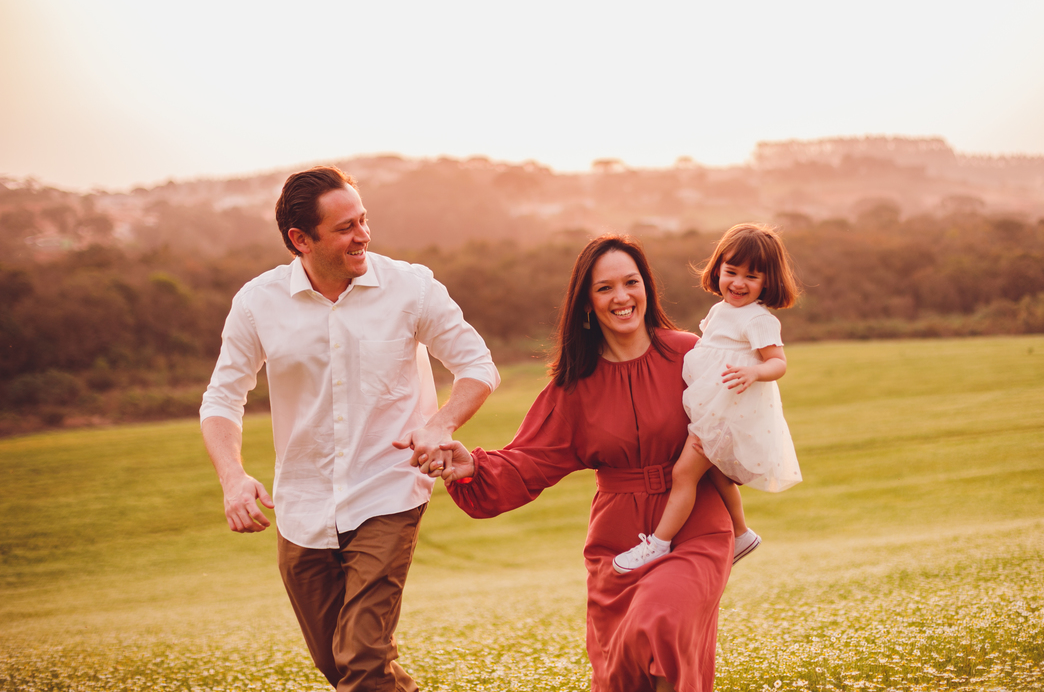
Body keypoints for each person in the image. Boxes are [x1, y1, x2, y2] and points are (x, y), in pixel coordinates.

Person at [199, 166, 499, 692]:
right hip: (302, 505)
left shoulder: (411, 288)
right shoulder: (257, 303)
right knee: (339, 664)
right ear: (301, 239)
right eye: (345, 228)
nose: (363, 235)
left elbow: (477, 366)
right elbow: (223, 397)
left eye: (363, 220)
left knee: (360, 656)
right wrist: (232, 477)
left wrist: (440, 423)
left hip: (388, 489)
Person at [423, 235, 732, 692]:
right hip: (616, 541)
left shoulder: (690, 354)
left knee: (661, 623)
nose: (622, 297)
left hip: (694, 526)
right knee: (623, 670)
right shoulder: (573, 387)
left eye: (631, 282)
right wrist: (472, 468)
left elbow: (736, 424)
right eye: (605, 288)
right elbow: (529, 459)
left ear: (647, 287)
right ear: (587, 303)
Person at [613, 223, 802, 574]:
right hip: (711, 408)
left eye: (751, 276)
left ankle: (658, 543)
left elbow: (778, 362)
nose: (738, 283)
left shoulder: (758, 319)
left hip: (727, 414)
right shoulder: (720, 310)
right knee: (716, 474)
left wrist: (755, 372)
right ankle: (741, 534)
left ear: (768, 282)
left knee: (683, 474)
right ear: (718, 270)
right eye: (732, 272)